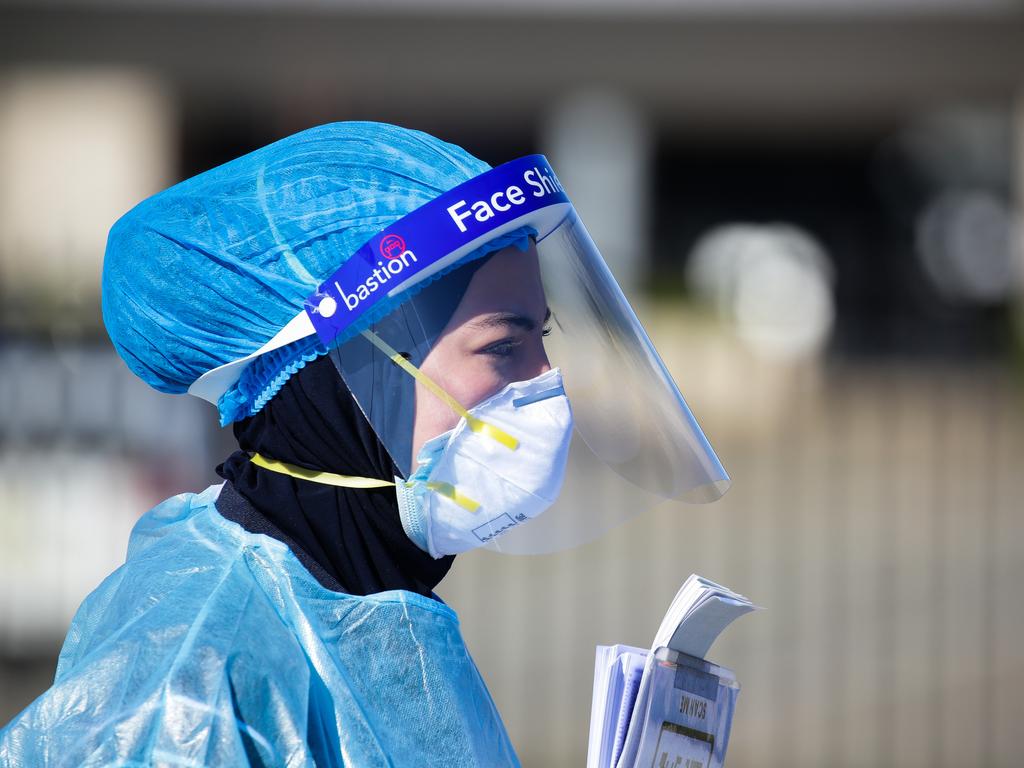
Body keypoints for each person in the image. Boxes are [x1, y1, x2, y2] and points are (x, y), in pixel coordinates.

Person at [0, 122, 729, 766]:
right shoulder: (184, 693)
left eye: (541, 339)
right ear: (347, 376)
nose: (548, 384)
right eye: (504, 346)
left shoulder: (375, 609)